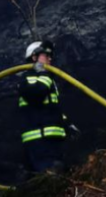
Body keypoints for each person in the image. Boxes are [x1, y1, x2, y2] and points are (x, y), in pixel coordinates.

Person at [19, 41, 77, 174]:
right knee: (49, 176)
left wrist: (67, 123)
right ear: (34, 58)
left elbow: (51, 108)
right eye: (46, 55)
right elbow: (37, 94)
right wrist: (44, 74)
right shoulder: (27, 78)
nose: (50, 58)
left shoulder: (46, 79)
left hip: (52, 140)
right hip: (39, 142)